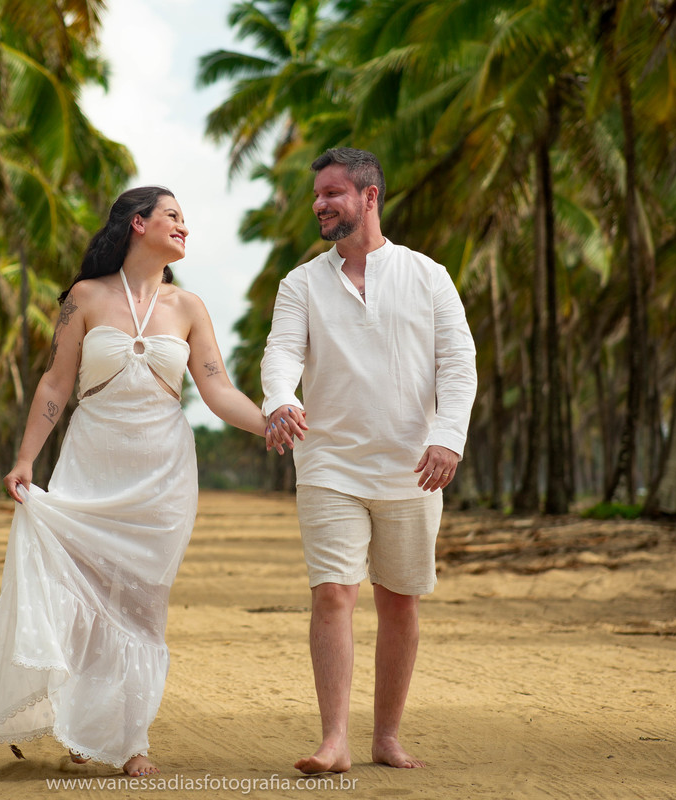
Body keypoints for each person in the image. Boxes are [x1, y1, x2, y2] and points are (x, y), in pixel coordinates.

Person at [0, 186, 267, 778]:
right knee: (83, 599)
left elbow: (217, 391)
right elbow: (56, 383)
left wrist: (273, 426)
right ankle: (82, 731)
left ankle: (131, 740)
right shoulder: (84, 297)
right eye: (173, 217)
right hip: (91, 464)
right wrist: (26, 458)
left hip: (162, 475)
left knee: (140, 605)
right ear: (138, 224)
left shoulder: (188, 307)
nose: (184, 227)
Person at [262, 148, 477, 774]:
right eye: (317, 197)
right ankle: (334, 740)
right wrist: (279, 398)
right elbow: (281, 354)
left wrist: (449, 437)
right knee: (333, 591)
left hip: (414, 465)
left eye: (332, 193)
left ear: (370, 196)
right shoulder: (299, 283)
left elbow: (458, 367)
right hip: (328, 463)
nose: (320, 205)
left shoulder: (428, 275)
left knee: (401, 600)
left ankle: (386, 736)